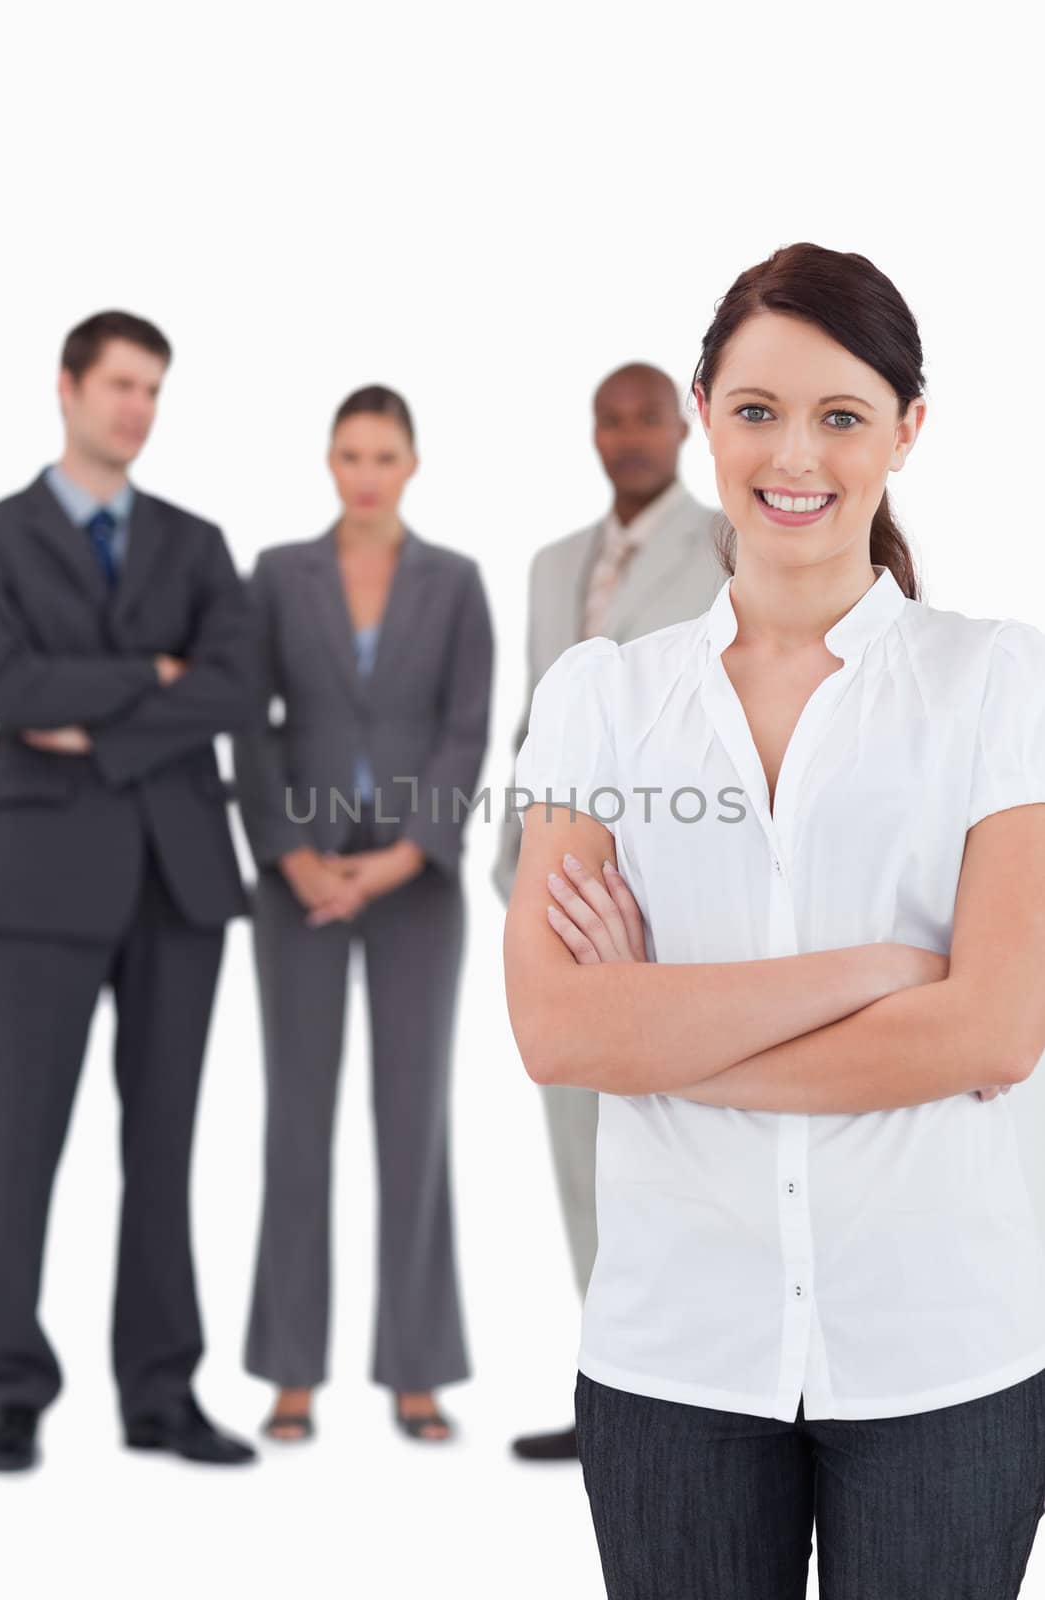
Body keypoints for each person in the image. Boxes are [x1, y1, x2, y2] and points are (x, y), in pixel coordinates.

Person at [504, 244, 1045, 1596]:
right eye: (752, 410)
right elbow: (556, 1027)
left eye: (840, 416)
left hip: (942, 1357)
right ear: (700, 412)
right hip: (673, 1357)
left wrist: (660, 1038)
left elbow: (990, 1026)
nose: (790, 453)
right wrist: (877, 979)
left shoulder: (997, 684)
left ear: (906, 432)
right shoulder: (600, 698)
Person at [0, 311, 257, 1472]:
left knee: (165, 1143)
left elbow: (236, 689)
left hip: (179, 883)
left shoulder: (195, 542)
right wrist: (152, 676)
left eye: (153, 389)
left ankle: (161, 1392)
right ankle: (12, 1390)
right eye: (120, 386)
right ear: (67, 388)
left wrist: (88, 722)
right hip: (46, 886)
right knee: (23, 1142)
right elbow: (8, 687)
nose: (137, 408)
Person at [234, 384, 492, 1445]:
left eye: (384, 455)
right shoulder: (277, 576)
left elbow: (465, 730)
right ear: (329, 463)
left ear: (413, 463)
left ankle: (417, 1369)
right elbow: (247, 722)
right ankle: (290, 1371)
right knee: (296, 1118)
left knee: (413, 1118)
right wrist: (293, 858)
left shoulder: (455, 582)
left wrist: (390, 861)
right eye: (349, 455)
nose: (366, 473)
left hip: (414, 880)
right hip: (295, 872)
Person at [494, 362, 722, 1461]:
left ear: (679, 426)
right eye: (608, 419)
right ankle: (612, 1398)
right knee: (579, 1150)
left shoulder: (732, 540)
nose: (626, 436)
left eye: (644, 417)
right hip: (552, 896)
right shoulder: (550, 565)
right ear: (591, 432)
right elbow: (535, 723)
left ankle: (705, 1398)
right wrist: (513, 869)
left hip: (678, 900)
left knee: (682, 1147)